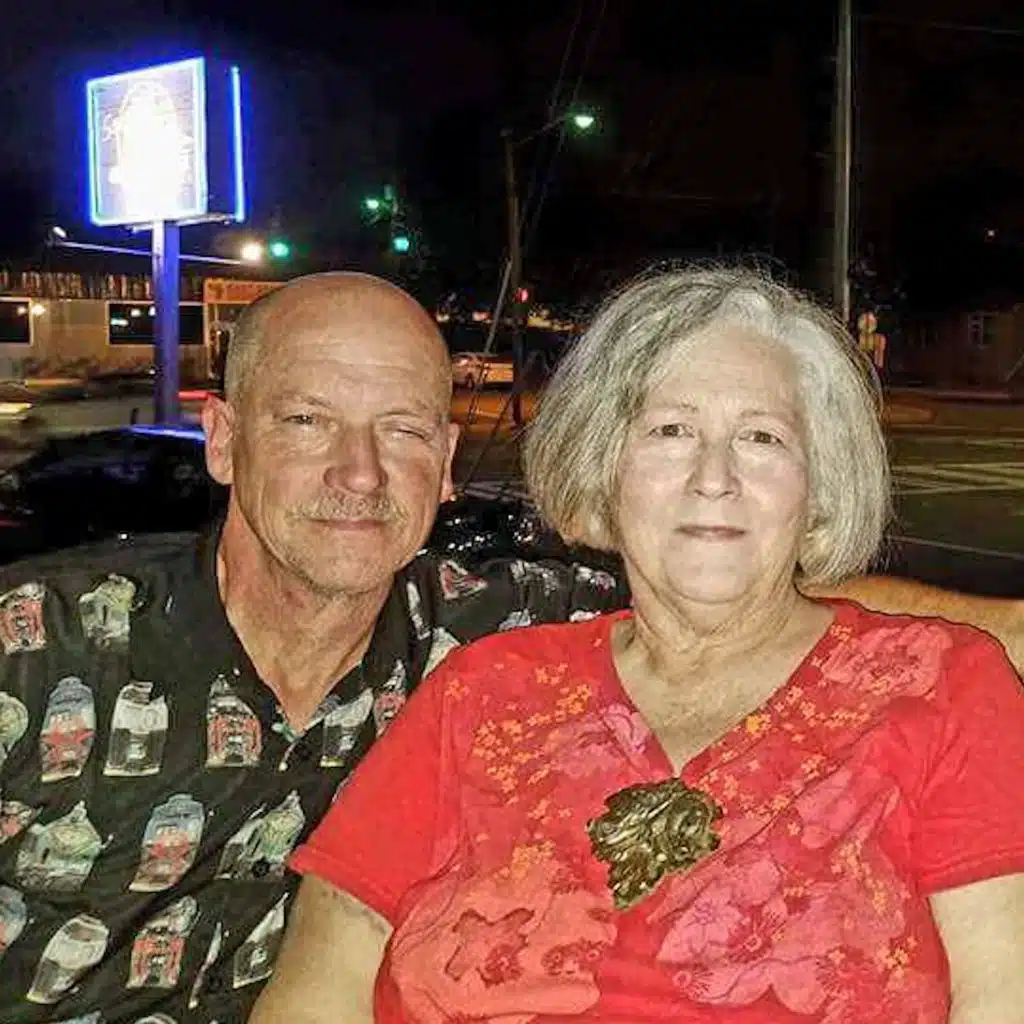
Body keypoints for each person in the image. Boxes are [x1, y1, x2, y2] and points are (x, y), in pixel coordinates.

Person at [257, 268, 1024, 1024]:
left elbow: (1004, 992)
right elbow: (323, 973)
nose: (713, 477)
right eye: (670, 431)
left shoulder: (943, 689)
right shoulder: (483, 689)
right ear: (603, 467)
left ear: (819, 485)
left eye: (761, 437)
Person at [0, 273, 631, 1023]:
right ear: (224, 441)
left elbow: (721, 597)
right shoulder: (39, 642)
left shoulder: (497, 633)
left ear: (446, 462)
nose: (360, 472)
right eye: (306, 420)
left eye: (403, 430)